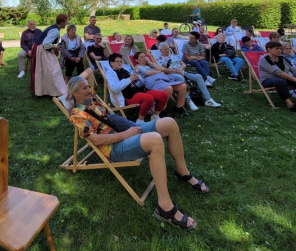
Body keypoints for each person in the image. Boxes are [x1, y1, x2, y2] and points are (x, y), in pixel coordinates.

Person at [67, 76, 209, 230]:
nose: (89, 90)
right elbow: (96, 140)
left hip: (124, 130)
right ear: (74, 93)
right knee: (155, 140)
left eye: (89, 86)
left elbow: (89, 72)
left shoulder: (92, 99)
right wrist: (126, 134)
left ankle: (182, 172)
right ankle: (165, 207)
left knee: (170, 123)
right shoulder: (77, 114)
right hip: (113, 147)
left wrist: (75, 87)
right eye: (84, 88)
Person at [105, 53, 169, 122]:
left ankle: (155, 116)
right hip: (129, 95)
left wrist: (138, 78)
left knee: (164, 95)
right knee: (148, 98)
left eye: (121, 61)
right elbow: (114, 88)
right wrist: (130, 79)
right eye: (117, 61)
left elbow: (140, 82)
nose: (120, 63)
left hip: (141, 90)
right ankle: (140, 120)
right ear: (111, 63)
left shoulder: (125, 69)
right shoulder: (110, 74)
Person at [154, 43, 221, 109]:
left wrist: (180, 69)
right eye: (165, 49)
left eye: (168, 49)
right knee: (180, 77)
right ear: (160, 50)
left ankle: (208, 99)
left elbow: (183, 64)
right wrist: (175, 71)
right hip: (171, 75)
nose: (167, 50)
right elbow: (163, 70)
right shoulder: (159, 59)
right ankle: (189, 101)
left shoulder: (174, 56)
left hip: (182, 72)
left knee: (198, 76)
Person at [258, 41, 296, 113]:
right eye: (277, 48)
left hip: (282, 79)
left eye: (280, 49)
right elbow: (279, 73)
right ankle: (290, 104)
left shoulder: (282, 58)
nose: (279, 50)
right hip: (267, 80)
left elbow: (294, 70)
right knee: (281, 81)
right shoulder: (264, 59)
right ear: (269, 49)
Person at [133, 51, 189, 115]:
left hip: (163, 81)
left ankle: (179, 106)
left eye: (145, 56)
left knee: (183, 86)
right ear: (136, 60)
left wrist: (150, 62)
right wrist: (158, 71)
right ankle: (161, 109)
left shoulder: (151, 65)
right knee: (168, 88)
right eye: (141, 57)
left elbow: (162, 69)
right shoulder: (138, 67)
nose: (144, 58)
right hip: (153, 83)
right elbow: (147, 73)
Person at [30, 13, 68, 97]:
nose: (66, 24)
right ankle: (54, 91)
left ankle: (45, 90)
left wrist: (54, 48)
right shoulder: (55, 31)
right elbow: (46, 43)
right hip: (41, 49)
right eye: (66, 22)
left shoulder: (54, 28)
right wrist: (56, 47)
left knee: (46, 70)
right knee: (52, 70)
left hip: (41, 48)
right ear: (62, 22)